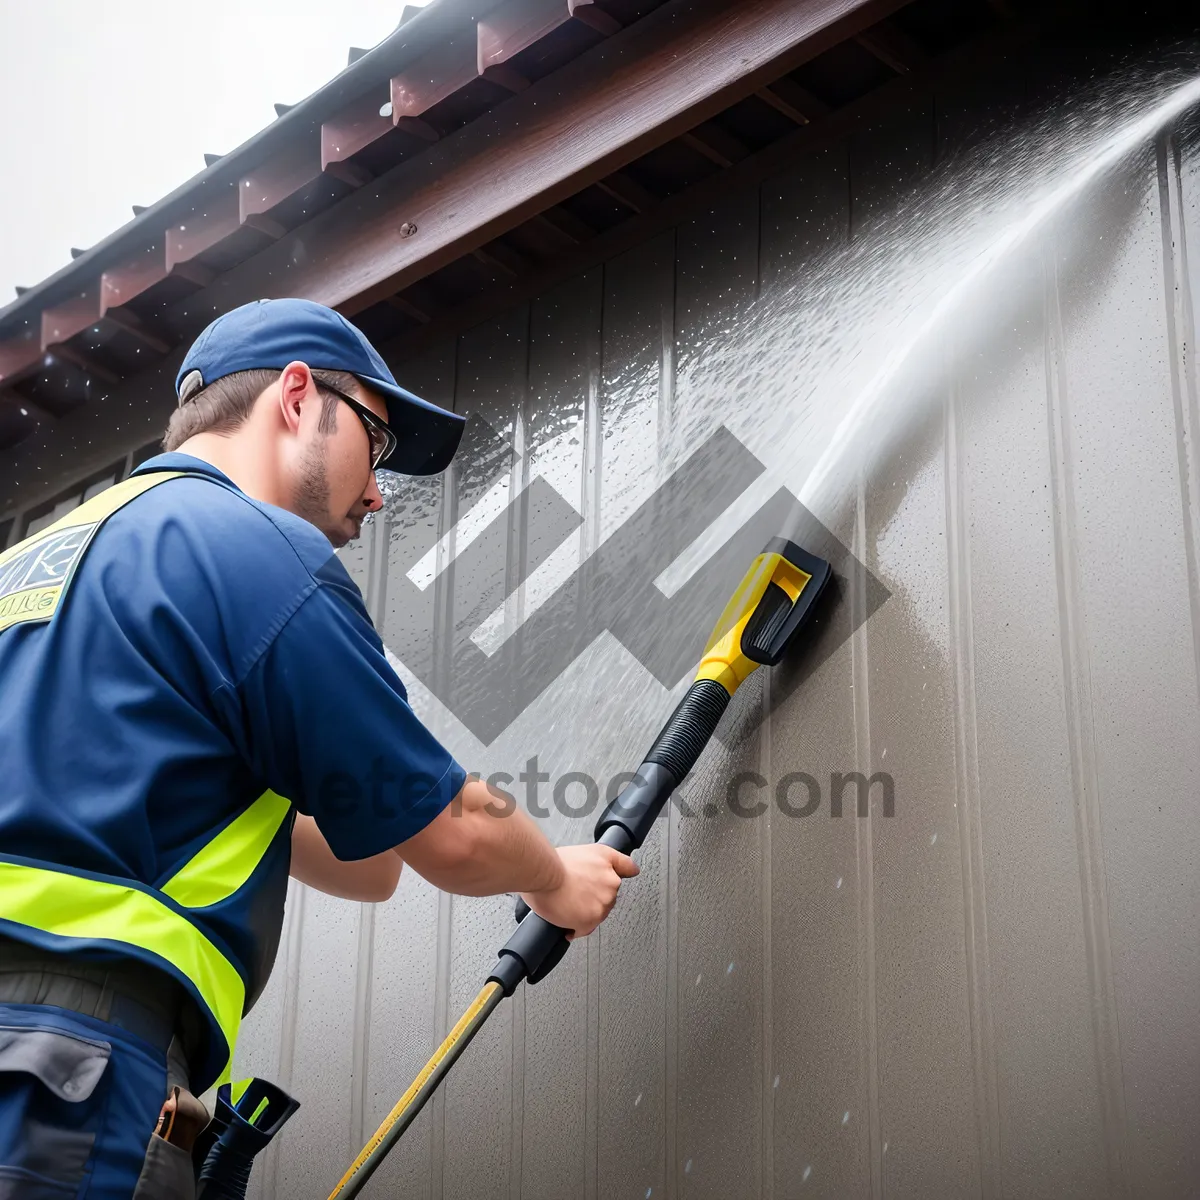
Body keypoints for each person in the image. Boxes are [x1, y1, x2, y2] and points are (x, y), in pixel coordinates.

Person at [0, 298, 638, 1198]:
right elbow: (450, 833)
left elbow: (368, 859)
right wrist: (553, 878)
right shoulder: (257, 551)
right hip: (69, 1067)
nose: (377, 489)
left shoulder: (37, 564)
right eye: (374, 445)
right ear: (297, 397)